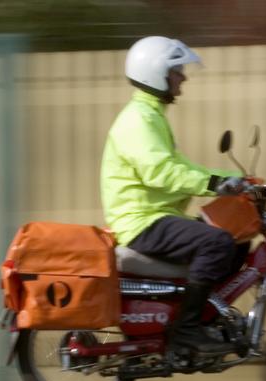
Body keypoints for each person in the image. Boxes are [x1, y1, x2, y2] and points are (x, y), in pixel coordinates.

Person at [101, 36, 245, 355]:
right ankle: (187, 332)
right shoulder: (138, 120)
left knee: (233, 238)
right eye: (176, 70)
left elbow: (181, 165)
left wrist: (233, 180)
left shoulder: (150, 116)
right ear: (157, 74)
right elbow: (161, 172)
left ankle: (206, 318)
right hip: (142, 222)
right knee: (216, 242)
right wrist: (215, 185)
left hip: (156, 217)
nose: (183, 77)